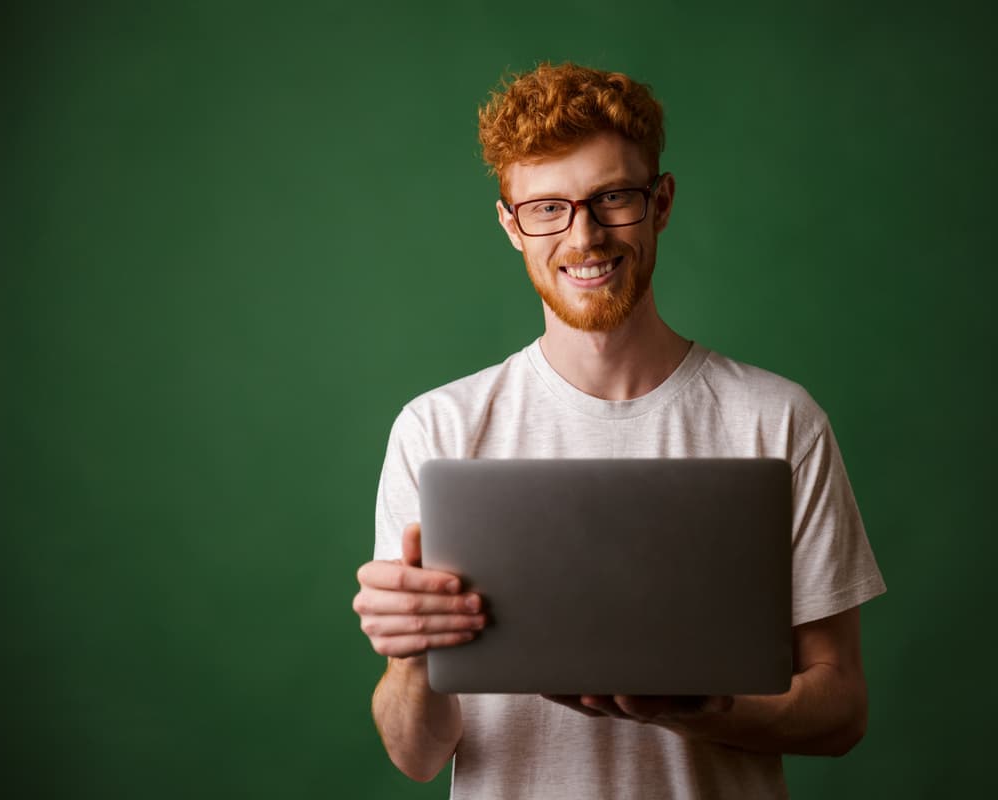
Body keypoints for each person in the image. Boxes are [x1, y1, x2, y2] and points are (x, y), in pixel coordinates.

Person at [352, 62, 886, 799]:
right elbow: (414, 755)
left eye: (613, 199)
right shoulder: (437, 429)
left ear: (660, 202)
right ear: (512, 226)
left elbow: (842, 711)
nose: (586, 236)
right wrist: (413, 660)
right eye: (547, 209)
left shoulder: (778, 420)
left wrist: (699, 712)